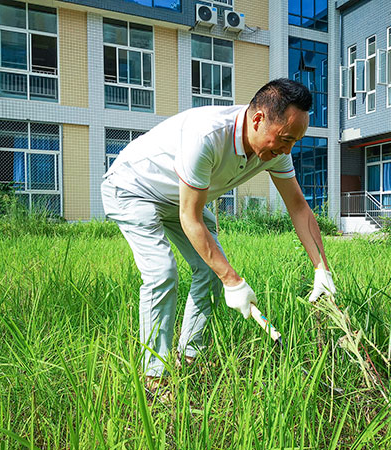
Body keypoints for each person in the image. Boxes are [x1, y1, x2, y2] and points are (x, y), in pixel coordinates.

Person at [101, 78, 335, 391]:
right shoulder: (208, 135)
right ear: (257, 119)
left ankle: (189, 355)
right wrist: (233, 281)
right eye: (284, 139)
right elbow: (190, 217)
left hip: (179, 197)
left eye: (294, 142)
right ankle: (154, 377)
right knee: (162, 271)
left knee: (211, 270)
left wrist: (321, 268)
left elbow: (298, 208)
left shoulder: (277, 149)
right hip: (132, 188)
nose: (287, 150)